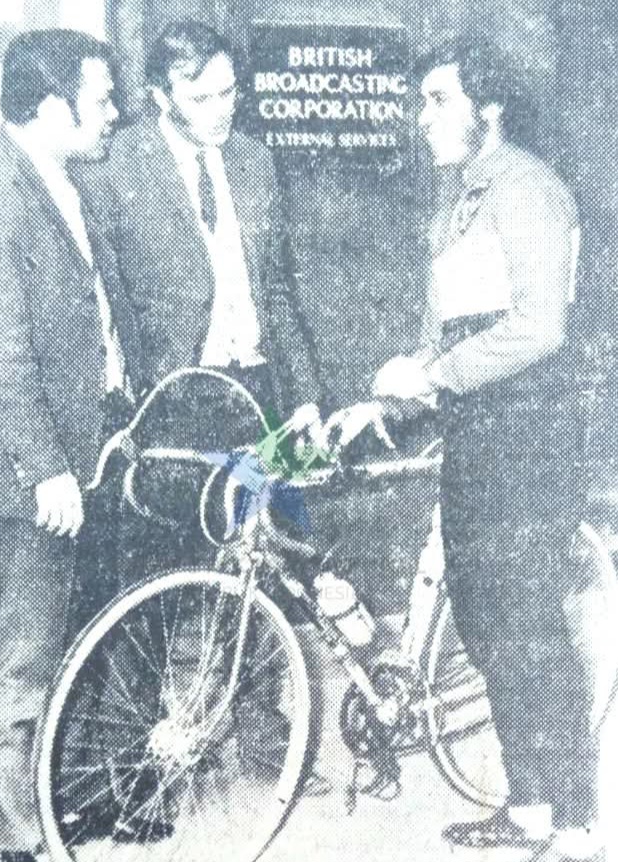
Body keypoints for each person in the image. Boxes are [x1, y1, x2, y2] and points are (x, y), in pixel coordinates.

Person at [325, 37, 601, 862]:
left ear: (491, 108)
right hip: (481, 432)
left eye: (439, 99)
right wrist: (385, 401)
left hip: (532, 433)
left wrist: (435, 376)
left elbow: (540, 328)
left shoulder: (528, 189)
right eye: (422, 100)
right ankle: (531, 810)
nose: (423, 117)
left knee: (526, 629)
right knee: (489, 625)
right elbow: (442, 332)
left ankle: (575, 825)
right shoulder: (464, 195)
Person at [0, 29, 142, 862]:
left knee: (83, 638)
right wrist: (46, 469)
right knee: (21, 662)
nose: (113, 112)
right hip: (34, 476)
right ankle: (19, 841)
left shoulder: (68, 180)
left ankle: (75, 807)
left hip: (91, 451)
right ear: (51, 104)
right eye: (100, 98)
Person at [76, 19, 323, 575]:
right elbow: (107, 303)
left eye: (229, 92)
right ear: (161, 96)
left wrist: (305, 398)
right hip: (175, 401)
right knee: (177, 572)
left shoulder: (254, 159)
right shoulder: (113, 165)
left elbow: (277, 290)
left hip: (258, 391)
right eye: (200, 98)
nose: (220, 110)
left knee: (277, 556)